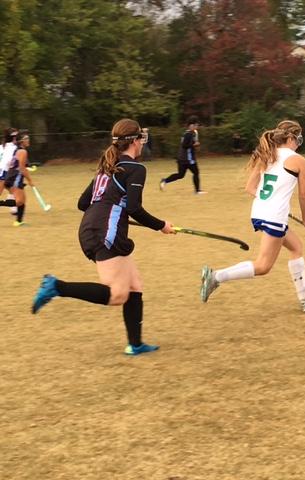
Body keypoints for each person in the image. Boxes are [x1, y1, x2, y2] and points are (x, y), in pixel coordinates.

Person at [31, 118, 175, 356]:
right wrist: (161, 225)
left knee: (134, 286)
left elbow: (83, 203)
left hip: (94, 226)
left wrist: (114, 210)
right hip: (105, 232)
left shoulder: (108, 166)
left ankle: (136, 344)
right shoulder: (136, 168)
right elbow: (135, 208)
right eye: (140, 138)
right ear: (135, 141)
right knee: (117, 294)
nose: (142, 144)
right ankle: (56, 286)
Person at [200, 120, 305, 312]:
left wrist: (274, 202)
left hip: (260, 212)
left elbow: (250, 188)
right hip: (274, 216)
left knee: (296, 247)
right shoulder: (298, 160)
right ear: (291, 137)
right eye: (298, 139)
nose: (298, 144)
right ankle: (215, 277)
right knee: (263, 266)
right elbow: (303, 195)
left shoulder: (268, 155)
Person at [159, 115, 206, 194]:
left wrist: (195, 146)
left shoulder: (190, 133)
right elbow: (184, 145)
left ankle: (164, 181)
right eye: (196, 125)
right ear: (191, 125)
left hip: (182, 158)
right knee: (196, 172)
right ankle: (197, 191)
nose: (197, 126)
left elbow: (189, 144)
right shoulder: (189, 134)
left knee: (180, 175)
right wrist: (194, 145)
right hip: (187, 159)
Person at [3, 130, 35, 226]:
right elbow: (21, 167)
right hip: (14, 178)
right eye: (26, 139)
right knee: (19, 201)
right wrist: (30, 180)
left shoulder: (19, 150)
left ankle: (18, 221)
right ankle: (18, 221)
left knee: (22, 200)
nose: (28, 140)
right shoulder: (22, 151)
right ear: (21, 141)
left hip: (14, 177)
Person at [0, 128, 18, 209]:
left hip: (8, 172)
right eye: (16, 136)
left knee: (13, 190)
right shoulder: (13, 148)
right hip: (3, 172)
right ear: (13, 137)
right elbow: (8, 162)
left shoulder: (12, 147)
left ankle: (13, 208)